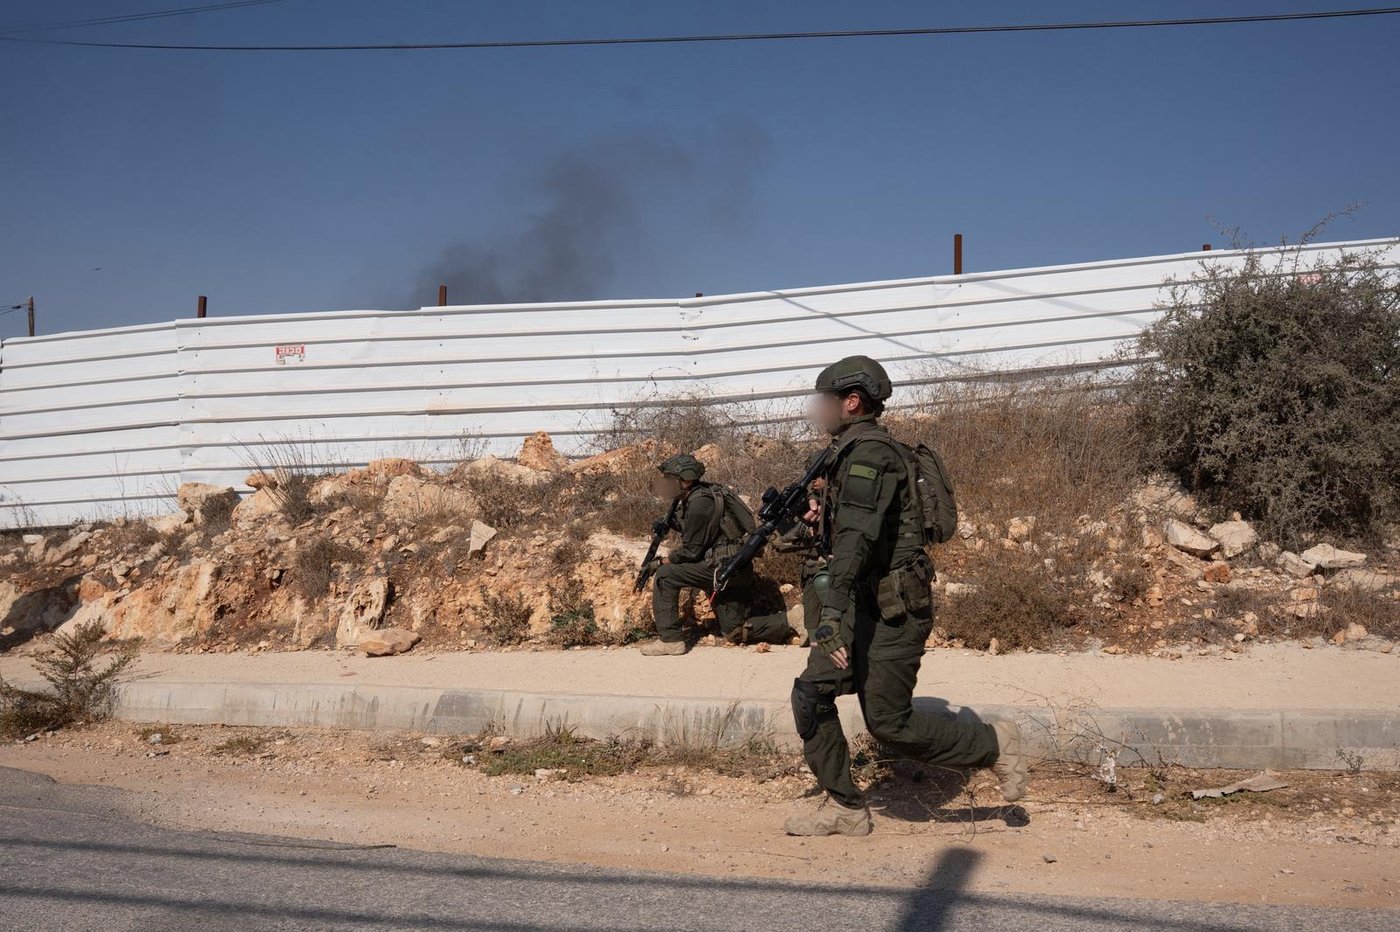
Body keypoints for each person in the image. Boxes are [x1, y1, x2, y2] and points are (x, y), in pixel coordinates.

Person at [784, 355, 1029, 836]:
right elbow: (848, 535)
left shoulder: (871, 455)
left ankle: (993, 744)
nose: (818, 409)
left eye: (826, 400)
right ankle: (846, 808)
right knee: (811, 693)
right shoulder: (844, 453)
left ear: (850, 402)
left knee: (889, 725)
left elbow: (857, 541)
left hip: (893, 608)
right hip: (860, 602)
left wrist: (830, 615)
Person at [639, 454, 793, 656]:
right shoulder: (703, 495)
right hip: (731, 568)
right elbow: (706, 531)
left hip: (723, 569)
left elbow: (691, 551)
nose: (666, 484)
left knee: (666, 575)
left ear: (684, 480)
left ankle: (670, 640)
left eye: (670, 479)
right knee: (734, 631)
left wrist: (661, 562)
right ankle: (793, 620)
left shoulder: (699, 503)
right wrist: (670, 523)